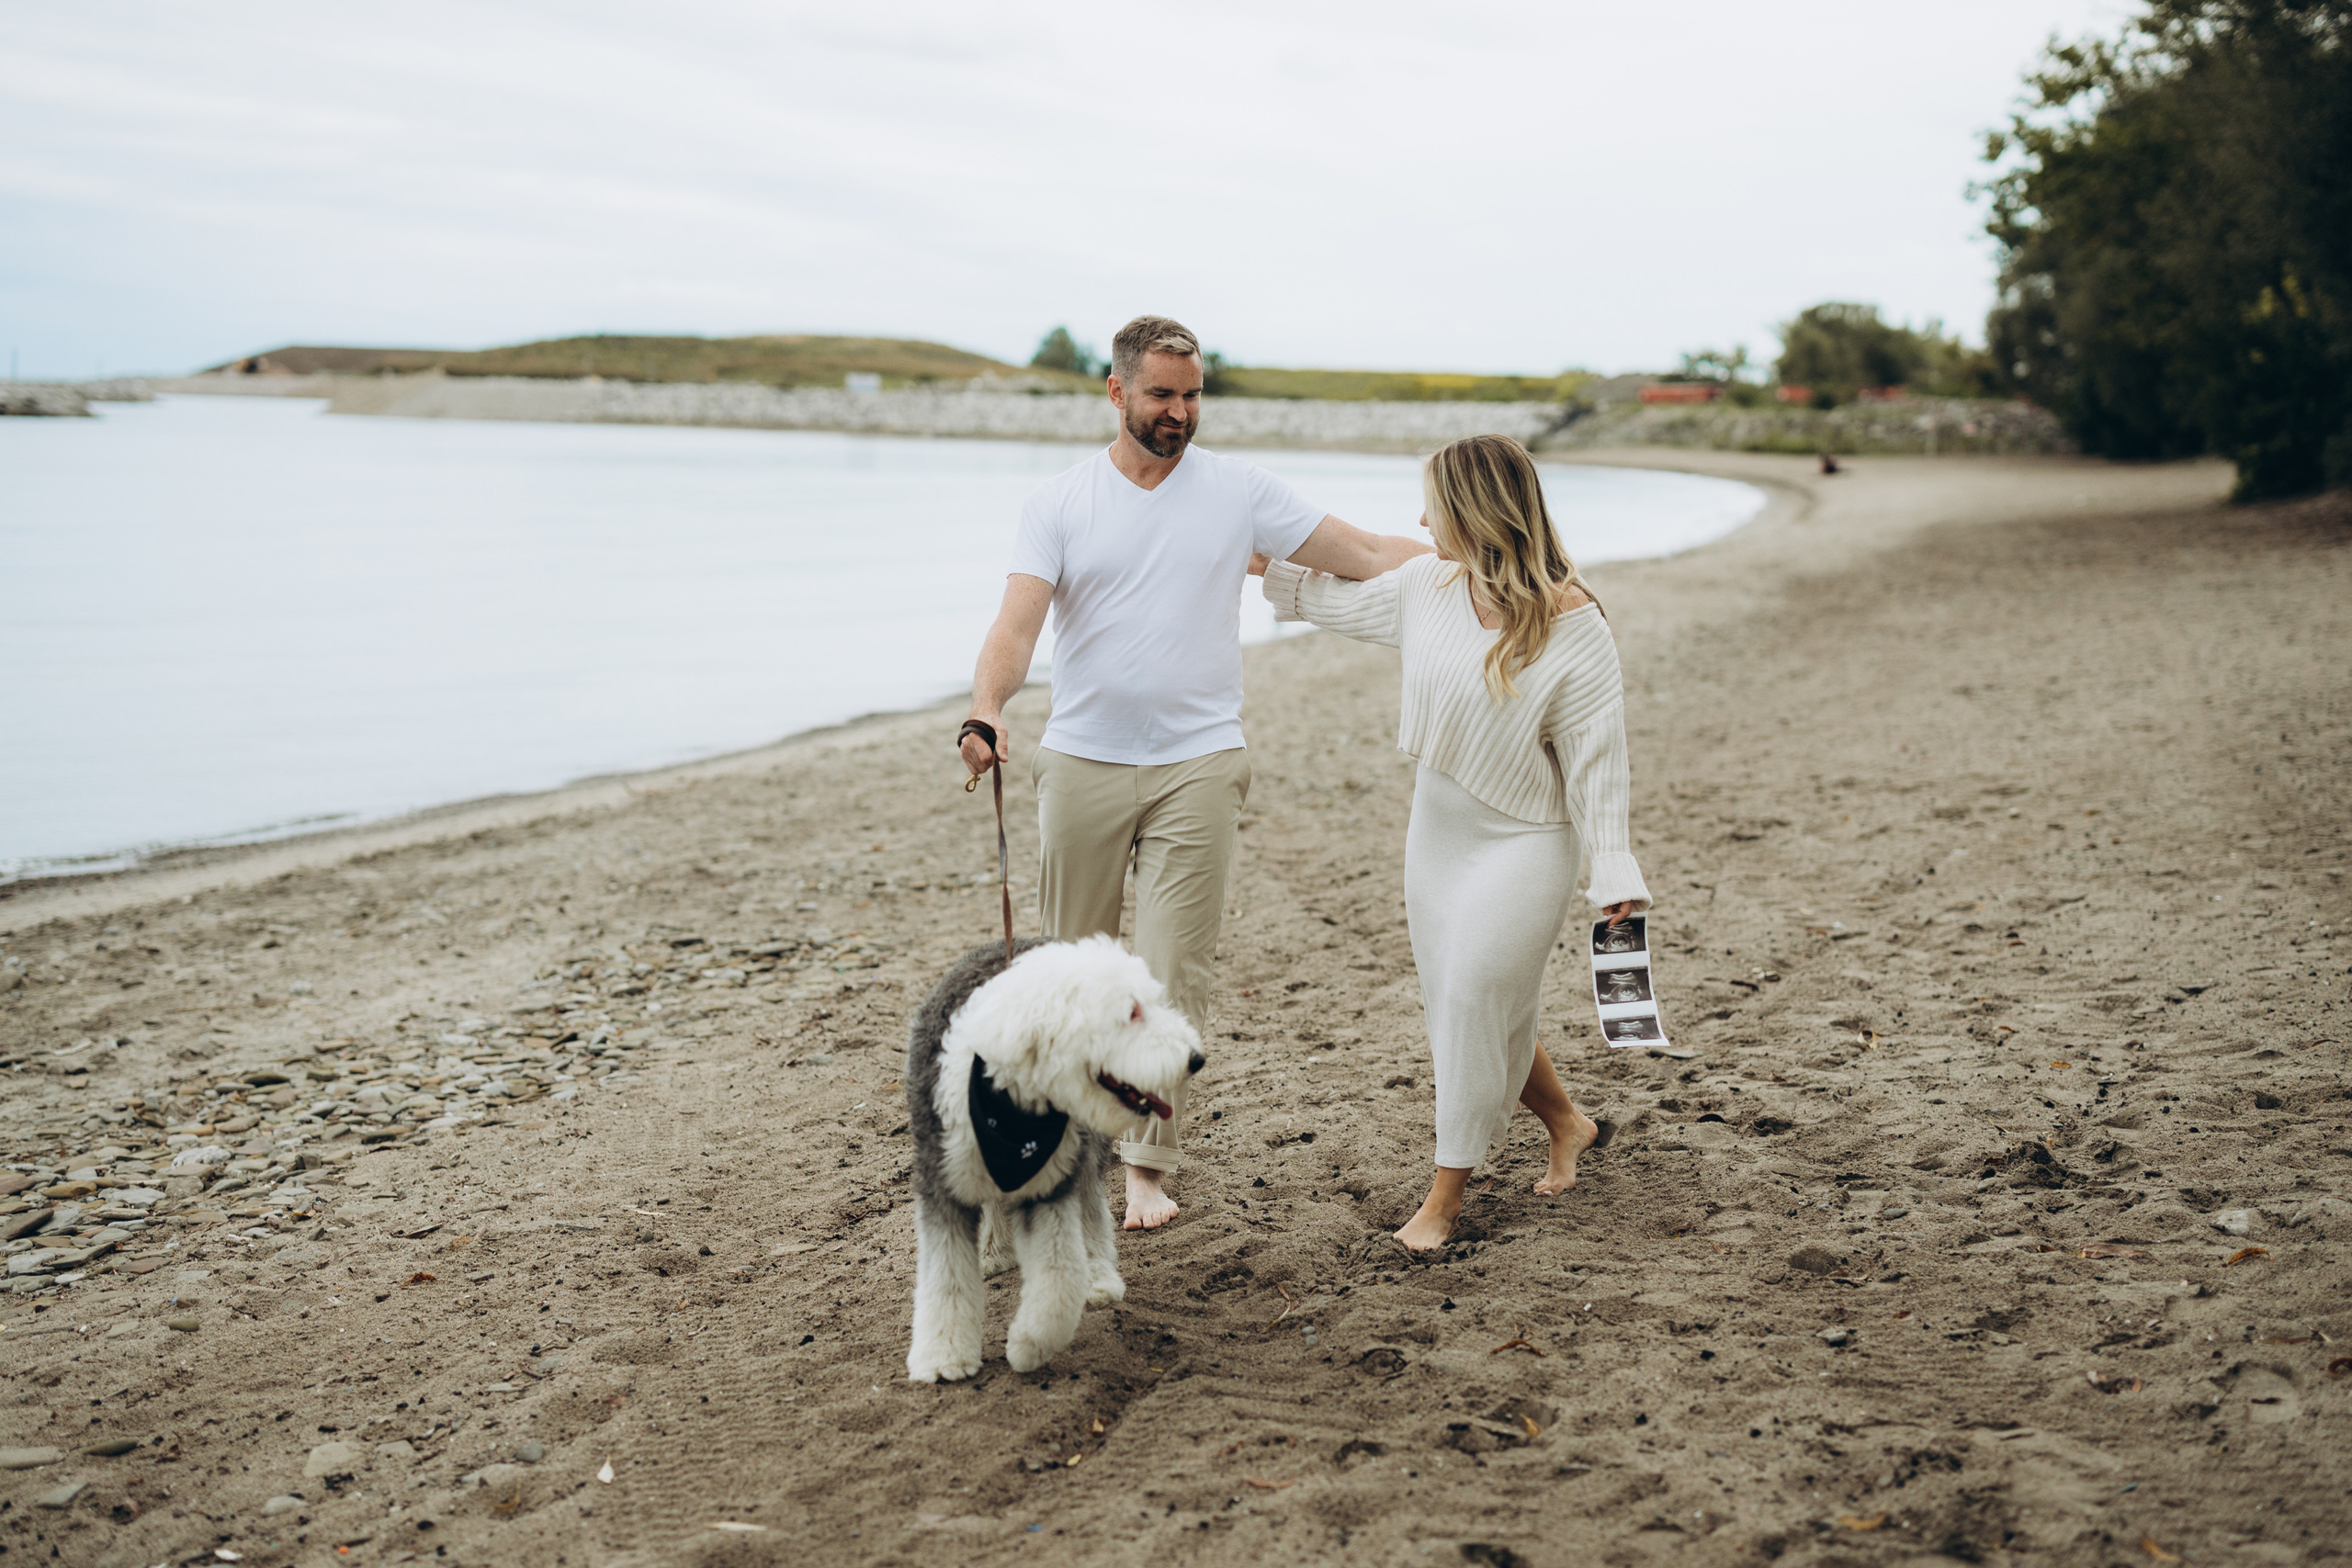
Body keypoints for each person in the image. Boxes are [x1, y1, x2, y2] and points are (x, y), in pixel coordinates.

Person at [959, 315, 1428, 1230]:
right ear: (1116, 392)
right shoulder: (1059, 502)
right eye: (1162, 394)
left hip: (1200, 765)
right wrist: (987, 707)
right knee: (1072, 974)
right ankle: (1061, 1156)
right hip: (1084, 760)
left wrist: (1487, 561)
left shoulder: (1238, 491)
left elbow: (1367, 556)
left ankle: (1145, 1171)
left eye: (1192, 394)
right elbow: (1016, 628)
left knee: (1172, 978)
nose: (1180, 412)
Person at [1253, 434, 1650, 1250]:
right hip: (1437, 836)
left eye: (1432, 500)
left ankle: (1444, 1199)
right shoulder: (1427, 588)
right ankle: (1569, 1122)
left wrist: (1613, 871)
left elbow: (1598, 765)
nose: (1419, 516)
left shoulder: (1577, 627)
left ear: (1474, 511)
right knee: (1468, 1005)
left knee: (1473, 995)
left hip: (1529, 841)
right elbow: (1320, 596)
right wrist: (1228, 544)